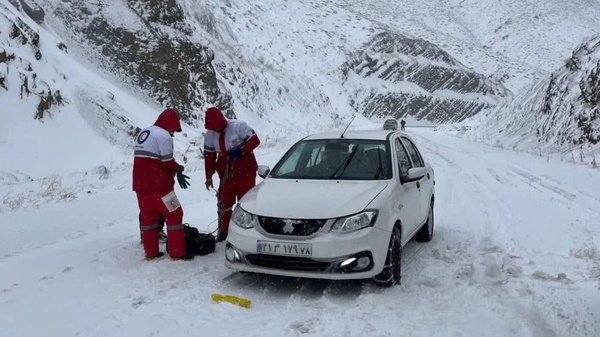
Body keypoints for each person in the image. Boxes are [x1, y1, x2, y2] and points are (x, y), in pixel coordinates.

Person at [133, 108, 193, 261]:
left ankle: (151, 252)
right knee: (174, 214)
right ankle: (177, 252)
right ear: (170, 125)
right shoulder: (164, 136)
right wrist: (178, 169)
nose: (173, 133)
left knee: (148, 218)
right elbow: (167, 162)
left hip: (140, 184)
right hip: (159, 185)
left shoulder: (144, 132)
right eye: (174, 130)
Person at [203, 107, 260, 242]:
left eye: (217, 127)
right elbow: (209, 156)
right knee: (224, 202)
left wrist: (241, 150)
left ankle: (248, 231)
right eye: (213, 128)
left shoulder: (239, 126)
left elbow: (255, 141)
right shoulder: (210, 135)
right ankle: (224, 231)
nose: (216, 130)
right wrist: (208, 176)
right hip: (226, 170)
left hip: (244, 167)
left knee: (246, 202)